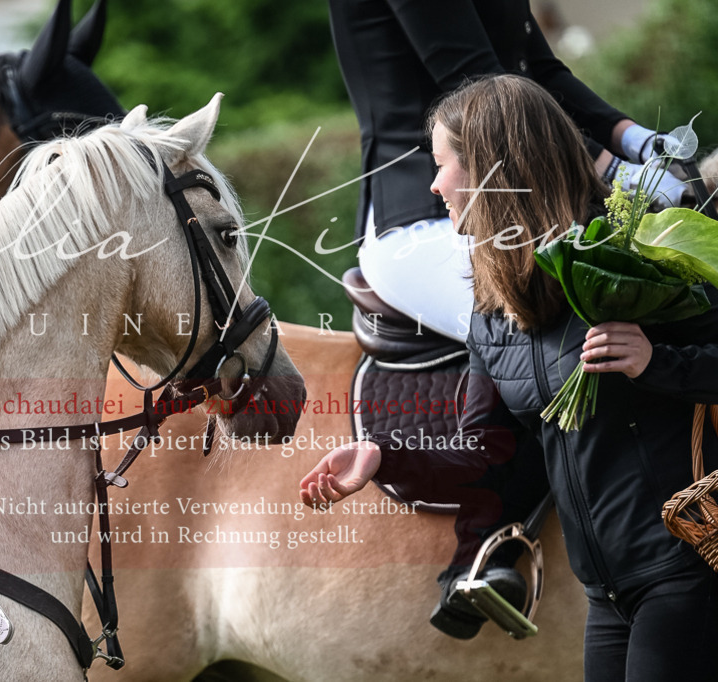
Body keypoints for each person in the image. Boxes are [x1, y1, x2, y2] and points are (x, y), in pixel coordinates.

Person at [301, 75, 718, 680]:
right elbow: (489, 457)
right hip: (606, 596)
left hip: (686, 574)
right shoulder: (494, 310)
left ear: (497, 171)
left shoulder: (637, 256)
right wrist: (382, 458)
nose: (434, 184)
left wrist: (660, 363)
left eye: (445, 165)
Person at [327, 0, 689, 342]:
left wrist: (638, 141)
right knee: (559, 334)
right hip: (428, 214)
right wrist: (615, 170)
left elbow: (539, 73)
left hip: (514, 204)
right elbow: (478, 85)